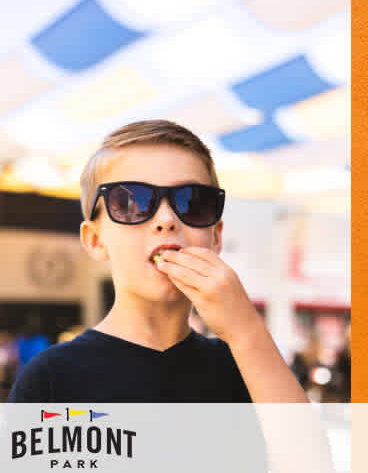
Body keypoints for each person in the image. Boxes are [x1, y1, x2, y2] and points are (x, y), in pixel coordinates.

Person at [7, 120, 308, 404]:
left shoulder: (250, 369)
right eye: (130, 202)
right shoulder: (51, 379)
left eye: (192, 202)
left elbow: (308, 459)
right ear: (96, 240)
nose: (166, 219)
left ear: (215, 237)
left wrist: (246, 330)